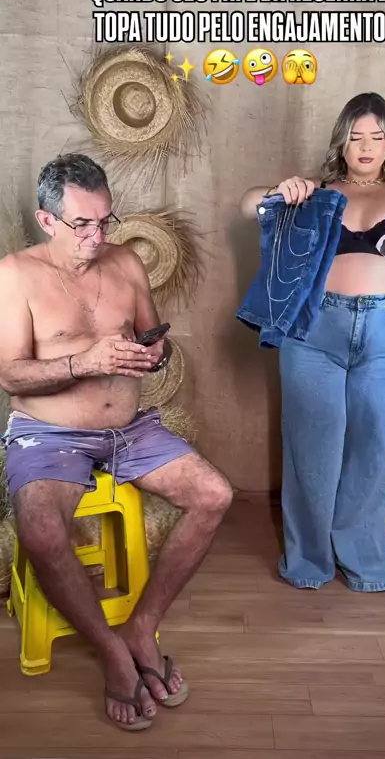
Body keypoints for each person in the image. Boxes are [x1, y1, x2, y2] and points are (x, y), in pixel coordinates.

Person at [0, 153, 233, 731]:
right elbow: (9, 375)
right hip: (48, 433)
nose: (97, 235)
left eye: (105, 220)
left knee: (215, 495)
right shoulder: (15, 274)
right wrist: (84, 361)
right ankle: (110, 651)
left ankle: (141, 628)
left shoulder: (126, 262)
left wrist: (157, 352)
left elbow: (156, 339)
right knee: (40, 530)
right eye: (82, 223)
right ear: (47, 220)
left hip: (129, 429)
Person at [239, 91, 385, 596]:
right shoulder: (317, 191)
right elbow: (247, 205)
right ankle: (307, 561)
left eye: (376, 136)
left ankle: (366, 564)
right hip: (315, 332)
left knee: (373, 449)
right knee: (311, 451)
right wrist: (281, 189)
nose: (366, 146)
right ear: (341, 143)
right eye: (355, 136)